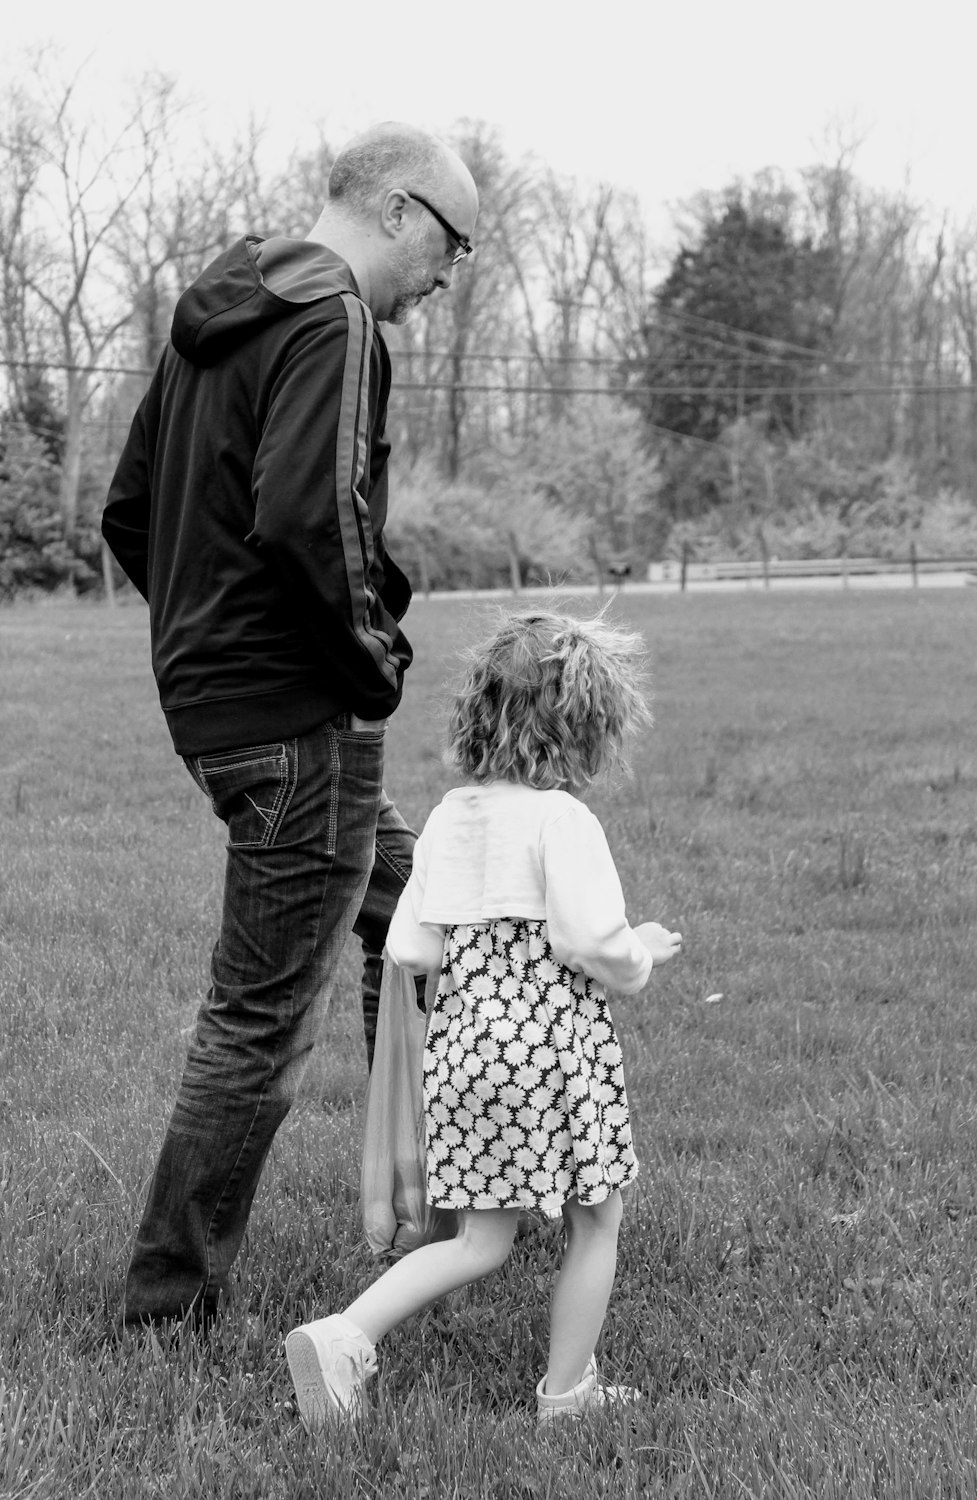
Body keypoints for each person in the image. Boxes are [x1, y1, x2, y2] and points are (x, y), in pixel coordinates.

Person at [101, 122, 479, 1329]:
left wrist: (210, 647)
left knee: (413, 897)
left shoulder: (226, 306)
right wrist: (374, 666)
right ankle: (167, 1303)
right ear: (403, 210)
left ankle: (427, 1196)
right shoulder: (334, 319)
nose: (443, 280)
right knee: (259, 1020)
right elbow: (312, 518)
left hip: (223, 703)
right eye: (451, 249)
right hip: (295, 715)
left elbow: (129, 513)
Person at [284, 609, 683, 1430]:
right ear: (585, 727)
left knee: (478, 1241)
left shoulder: (452, 815)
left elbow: (409, 944)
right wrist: (638, 953)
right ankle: (568, 1395)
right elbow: (588, 940)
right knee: (596, 1218)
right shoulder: (561, 820)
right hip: (553, 1056)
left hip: (464, 1054)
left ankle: (344, 1335)